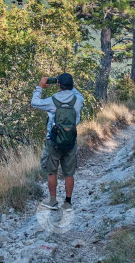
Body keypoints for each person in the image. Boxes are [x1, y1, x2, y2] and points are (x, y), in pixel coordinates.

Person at [31, 72, 84, 211]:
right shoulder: (78, 100)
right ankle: (68, 202)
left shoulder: (52, 100)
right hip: (71, 140)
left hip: (53, 141)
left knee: (52, 172)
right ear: (72, 85)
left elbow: (34, 102)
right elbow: (77, 93)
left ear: (58, 84)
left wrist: (40, 86)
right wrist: (70, 85)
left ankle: (53, 201)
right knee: (69, 173)